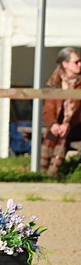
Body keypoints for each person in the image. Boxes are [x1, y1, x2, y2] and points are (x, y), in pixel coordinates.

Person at [40, 46, 81, 177]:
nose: (80, 64)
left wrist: (68, 123)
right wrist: (53, 124)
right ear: (65, 64)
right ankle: (42, 173)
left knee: (63, 136)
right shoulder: (54, 83)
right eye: (76, 62)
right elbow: (48, 109)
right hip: (58, 126)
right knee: (50, 137)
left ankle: (52, 173)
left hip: (77, 126)